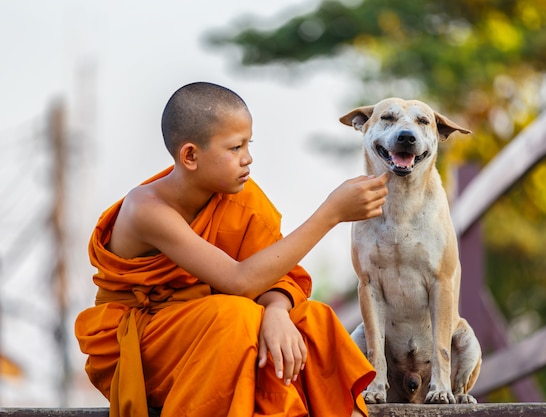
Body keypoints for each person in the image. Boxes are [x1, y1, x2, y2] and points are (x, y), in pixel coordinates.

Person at [74, 82, 388, 417]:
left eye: (248, 144)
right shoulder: (146, 209)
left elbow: (277, 276)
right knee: (236, 316)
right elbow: (240, 282)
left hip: (213, 331)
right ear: (190, 156)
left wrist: (277, 312)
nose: (248, 158)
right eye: (235, 148)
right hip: (143, 348)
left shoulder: (240, 197)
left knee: (313, 319)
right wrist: (331, 214)